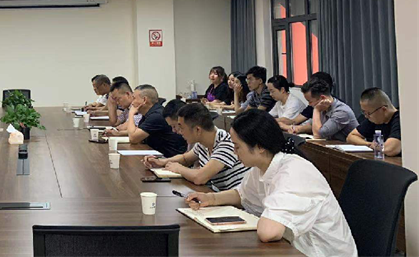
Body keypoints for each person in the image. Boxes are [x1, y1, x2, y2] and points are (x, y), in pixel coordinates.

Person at [185, 110, 357, 256]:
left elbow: (268, 232)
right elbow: (242, 194)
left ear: (259, 147)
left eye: (237, 147)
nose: (235, 153)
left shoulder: (295, 172)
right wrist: (211, 199)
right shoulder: (262, 166)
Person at [144, 103, 248, 191]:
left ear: (197, 130)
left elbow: (200, 177)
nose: (179, 132)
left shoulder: (226, 143)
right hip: (219, 195)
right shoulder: (203, 143)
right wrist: (161, 162)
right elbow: (185, 159)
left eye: (181, 128)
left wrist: (179, 168)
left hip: (237, 202)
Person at [113, 82, 187, 157]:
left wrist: (131, 113)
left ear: (144, 100)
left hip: (169, 158)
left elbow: (133, 138)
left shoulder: (156, 115)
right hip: (159, 155)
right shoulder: (149, 113)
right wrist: (119, 133)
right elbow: (138, 131)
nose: (132, 102)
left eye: (134, 98)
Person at [347, 87, 401, 156]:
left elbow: (390, 149)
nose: (366, 116)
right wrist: (369, 144)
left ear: (383, 109)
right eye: (364, 113)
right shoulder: (375, 118)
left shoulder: (400, 119)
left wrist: (376, 146)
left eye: (368, 113)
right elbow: (351, 137)